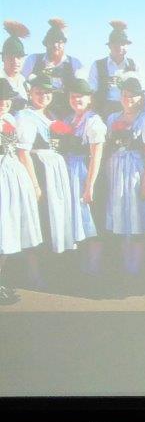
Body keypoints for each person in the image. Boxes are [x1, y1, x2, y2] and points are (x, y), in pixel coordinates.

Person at [17, 74, 77, 286]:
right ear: (30, 93)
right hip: (39, 170)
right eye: (38, 92)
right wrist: (35, 185)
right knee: (40, 218)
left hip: (55, 172)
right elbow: (23, 152)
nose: (43, 96)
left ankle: (54, 270)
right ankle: (35, 275)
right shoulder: (26, 116)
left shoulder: (52, 115)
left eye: (47, 92)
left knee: (56, 218)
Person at [103, 76, 145, 285]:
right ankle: (125, 268)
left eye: (133, 96)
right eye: (125, 95)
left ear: (140, 98)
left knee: (136, 221)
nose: (128, 99)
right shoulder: (112, 118)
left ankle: (135, 270)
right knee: (121, 221)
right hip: (115, 171)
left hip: (135, 171)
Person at [60, 79, 107, 280]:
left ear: (89, 99)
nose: (76, 99)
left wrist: (89, 186)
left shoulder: (93, 121)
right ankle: (82, 269)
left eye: (80, 96)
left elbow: (96, 156)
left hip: (86, 173)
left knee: (91, 220)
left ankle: (94, 269)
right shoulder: (69, 119)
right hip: (70, 173)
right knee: (78, 220)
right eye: (73, 96)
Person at [0, 79, 42, 304]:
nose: (3, 103)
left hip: (11, 175)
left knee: (7, 228)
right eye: (0, 99)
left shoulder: (9, 119)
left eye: (6, 99)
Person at [23, 18, 81, 111]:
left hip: (67, 112)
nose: (56, 45)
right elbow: (22, 82)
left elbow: (81, 89)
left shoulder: (74, 63)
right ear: (46, 44)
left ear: (64, 44)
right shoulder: (33, 59)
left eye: (59, 42)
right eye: (52, 42)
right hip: (38, 110)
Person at [87, 20, 138, 114]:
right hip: (104, 110)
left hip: (128, 110)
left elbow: (140, 91)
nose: (119, 47)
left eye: (122, 44)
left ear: (127, 46)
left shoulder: (134, 65)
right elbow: (91, 91)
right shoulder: (97, 65)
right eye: (115, 44)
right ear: (109, 46)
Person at [3, 21, 31, 112]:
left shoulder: (25, 83)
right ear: (3, 59)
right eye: (10, 57)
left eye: (18, 57)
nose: (15, 61)